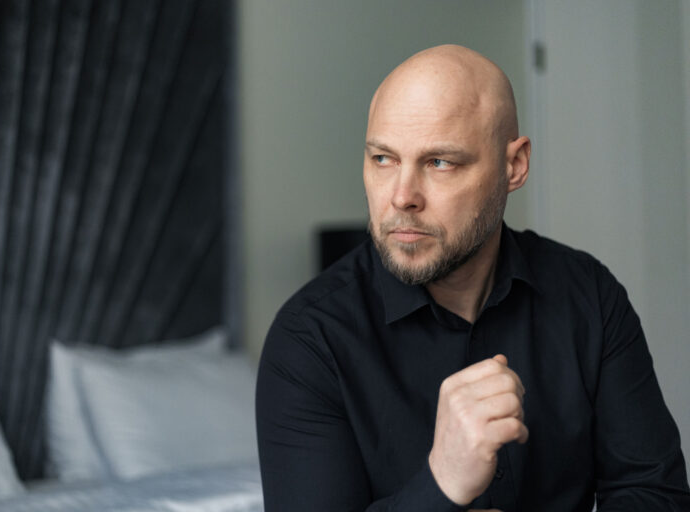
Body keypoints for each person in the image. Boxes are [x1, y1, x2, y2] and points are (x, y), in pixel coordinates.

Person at [255, 45, 690, 511]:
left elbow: (655, 495)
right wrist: (442, 481)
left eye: (440, 162)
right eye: (383, 158)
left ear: (514, 166)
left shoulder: (589, 296)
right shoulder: (309, 339)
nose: (401, 196)